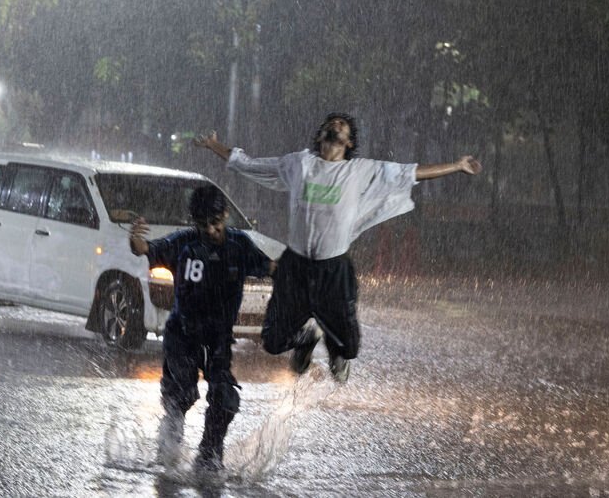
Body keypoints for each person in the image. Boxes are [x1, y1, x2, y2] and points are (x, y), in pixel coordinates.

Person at [195, 112, 482, 384]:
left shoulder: (360, 170)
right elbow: (250, 164)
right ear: (320, 136)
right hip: (294, 266)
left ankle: (334, 346)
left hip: (334, 270)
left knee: (351, 348)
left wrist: (457, 166)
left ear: (350, 142)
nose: (336, 126)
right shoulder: (299, 164)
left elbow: (412, 173)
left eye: (342, 126)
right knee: (272, 342)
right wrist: (213, 146)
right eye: (331, 124)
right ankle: (306, 338)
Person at [129, 184, 275, 471]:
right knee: (182, 394)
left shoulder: (239, 246)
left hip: (218, 339)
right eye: (202, 224)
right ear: (193, 222)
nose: (209, 230)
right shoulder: (184, 243)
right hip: (182, 336)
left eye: (215, 223)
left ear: (226, 215)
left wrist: (304, 270)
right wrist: (136, 241)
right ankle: (167, 452)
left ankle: (208, 455)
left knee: (226, 398)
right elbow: (147, 249)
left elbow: (271, 267)